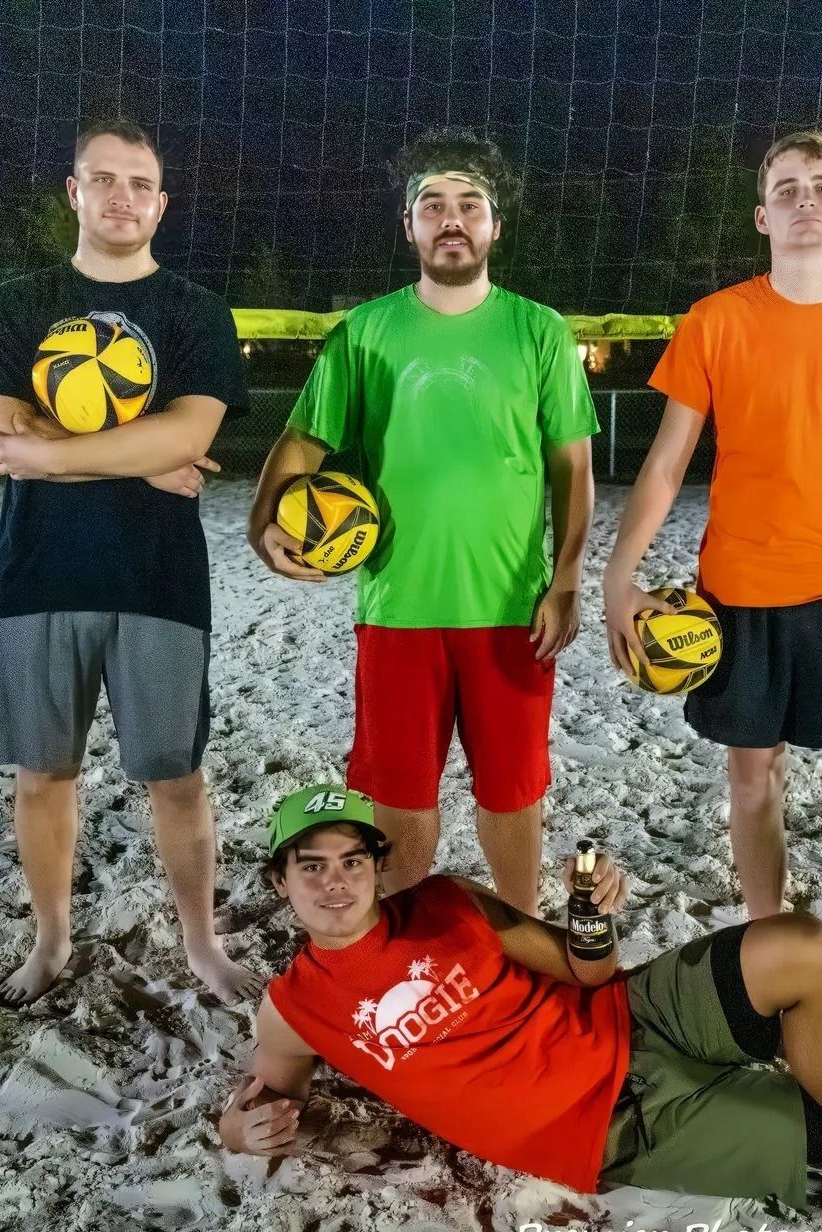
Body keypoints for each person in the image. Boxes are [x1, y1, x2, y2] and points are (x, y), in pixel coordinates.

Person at [217, 784, 822, 1217]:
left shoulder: (446, 899)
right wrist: (238, 1127)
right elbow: (256, 1109)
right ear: (281, 884)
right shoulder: (296, 1007)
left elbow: (587, 969)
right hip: (607, 1126)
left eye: (353, 860)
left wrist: (593, 914)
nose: (338, 881)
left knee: (807, 947)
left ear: (378, 864)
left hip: (630, 1016)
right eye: (314, 867)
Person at [601, 129, 822, 1053]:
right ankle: (772, 966)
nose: (804, 199)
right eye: (787, 188)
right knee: (754, 785)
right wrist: (619, 574)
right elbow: (668, 462)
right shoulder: (717, 319)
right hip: (738, 599)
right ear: (761, 215)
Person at [245, 128, 598, 915]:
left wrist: (568, 578)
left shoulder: (539, 330)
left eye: (469, 204)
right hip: (398, 606)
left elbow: (573, 467)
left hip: (511, 607)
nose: (451, 218)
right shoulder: (365, 332)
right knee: (401, 798)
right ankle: (405, 941)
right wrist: (261, 525)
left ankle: (524, 932)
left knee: (511, 793)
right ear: (408, 226)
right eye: (432, 204)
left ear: (494, 227)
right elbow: (302, 442)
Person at [0, 118, 254, 1005]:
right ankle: (51, 942)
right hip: (40, 572)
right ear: (74, 193)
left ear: (161, 204)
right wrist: (144, 454)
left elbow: (192, 432)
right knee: (44, 774)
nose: (121, 196)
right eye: (103, 178)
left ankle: (200, 942)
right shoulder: (16, 303)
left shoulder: (197, 312)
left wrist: (52, 453)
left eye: (139, 183)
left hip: (159, 577)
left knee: (177, 773)